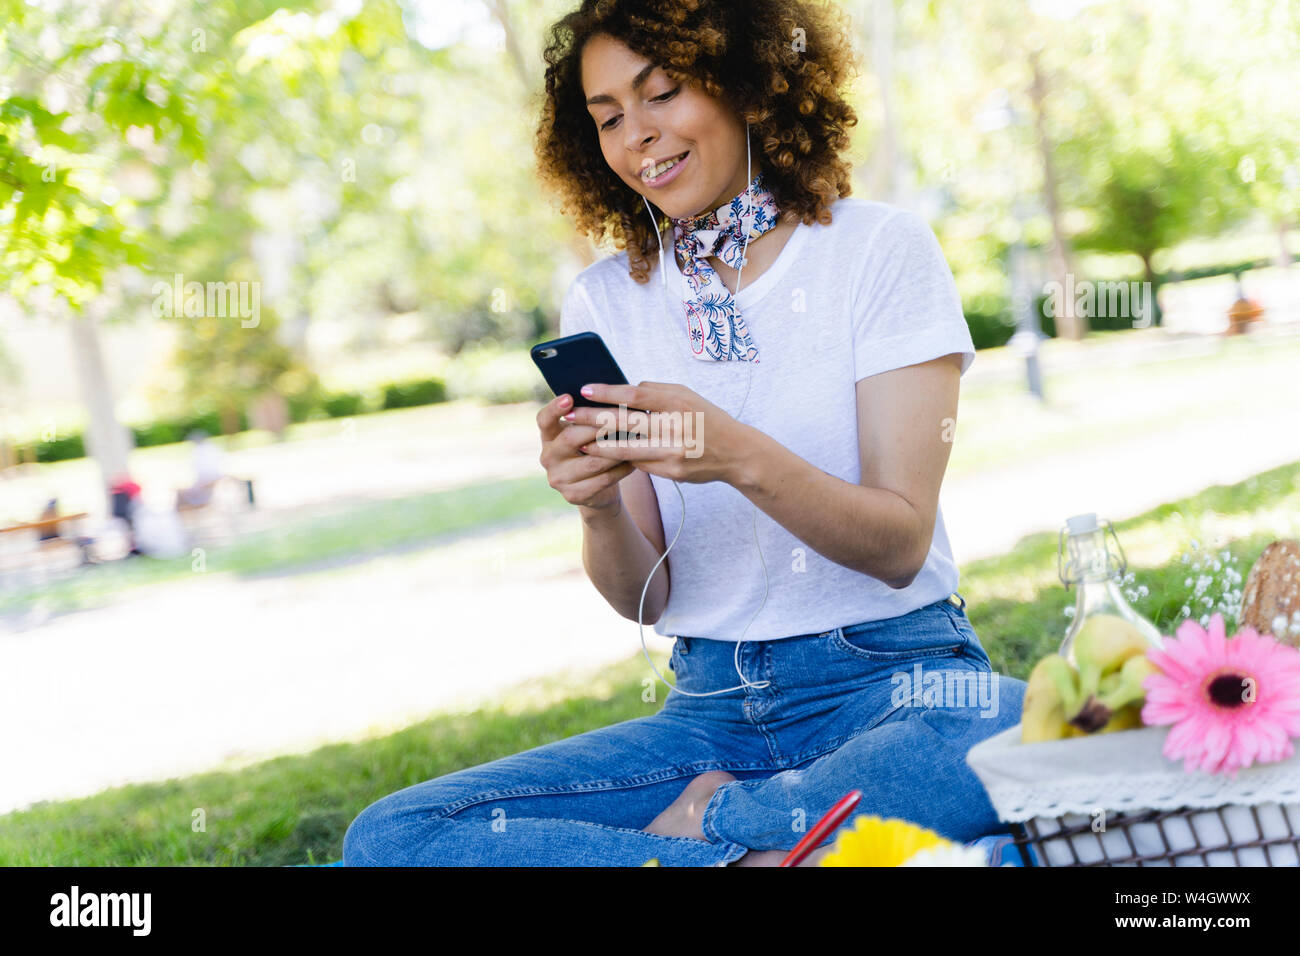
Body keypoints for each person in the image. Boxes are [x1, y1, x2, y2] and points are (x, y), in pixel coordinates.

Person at [344, 0, 1026, 867]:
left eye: (661, 93)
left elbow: (897, 544)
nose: (638, 136)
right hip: (712, 711)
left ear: (745, 82)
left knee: (1002, 725)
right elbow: (648, 598)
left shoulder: (878, 251)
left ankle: (715, 834)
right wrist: (595, 511)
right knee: (396, 837)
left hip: (896, 684)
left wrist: (735, 454)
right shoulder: (607, 302)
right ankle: (781, 852)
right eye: (608, 119)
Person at [174, 430, 224, 511]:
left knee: (180, 496)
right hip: (206, 484)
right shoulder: (212, 449)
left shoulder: (200, 452)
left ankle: (182, 518)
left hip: (204, 487)